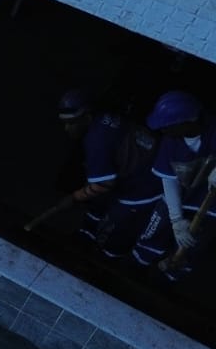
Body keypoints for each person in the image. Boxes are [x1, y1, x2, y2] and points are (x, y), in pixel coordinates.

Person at [51, 89, 159, 257]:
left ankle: (104, 258)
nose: (67, 129)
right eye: (64, 123)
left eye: (71, 123)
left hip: (146, 184)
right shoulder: (103, 119)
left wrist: (73, 198)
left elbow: (104, 184)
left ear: (86, 118)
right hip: (135, 170)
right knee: (97, 198)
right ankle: (86, 235)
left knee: (114, 231)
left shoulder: (97, 140)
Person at [131, 90, 216, 278]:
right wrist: (177, 220)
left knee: (192, 245)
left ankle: (169, 278)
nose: (162, 130)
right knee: (155, 229)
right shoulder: (171, 141)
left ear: (187, 122)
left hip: (210, 205)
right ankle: (134, 269)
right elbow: (168, 180)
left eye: (167, 126)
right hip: (183, 195)